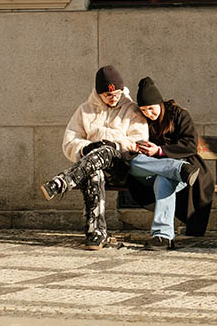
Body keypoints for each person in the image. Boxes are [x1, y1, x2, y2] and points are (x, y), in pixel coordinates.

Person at [49, 65, 148, 250]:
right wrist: (86, 148)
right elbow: (70, 141)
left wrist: (111, 143)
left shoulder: (131, 110)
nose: (113, 98)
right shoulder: (85, 110)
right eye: (108, 95)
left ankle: (65, 179)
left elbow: (139, 142)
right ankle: (96, 233)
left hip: (122, 167)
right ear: (99, 93)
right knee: (93, 172)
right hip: (92, 166)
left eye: (117, 93)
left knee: (106, 150)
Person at [127, 76, 216, 248]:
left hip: (185, 168)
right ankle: (176, 169)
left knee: (164, 180)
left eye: (151, 108)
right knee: (131, 164)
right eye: (143, 110)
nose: (148, 114)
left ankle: (162, 236)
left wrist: (159, 151)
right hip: (152, 168)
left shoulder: (179, 114)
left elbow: (190, 145)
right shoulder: (140, 119)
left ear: (159, 103)